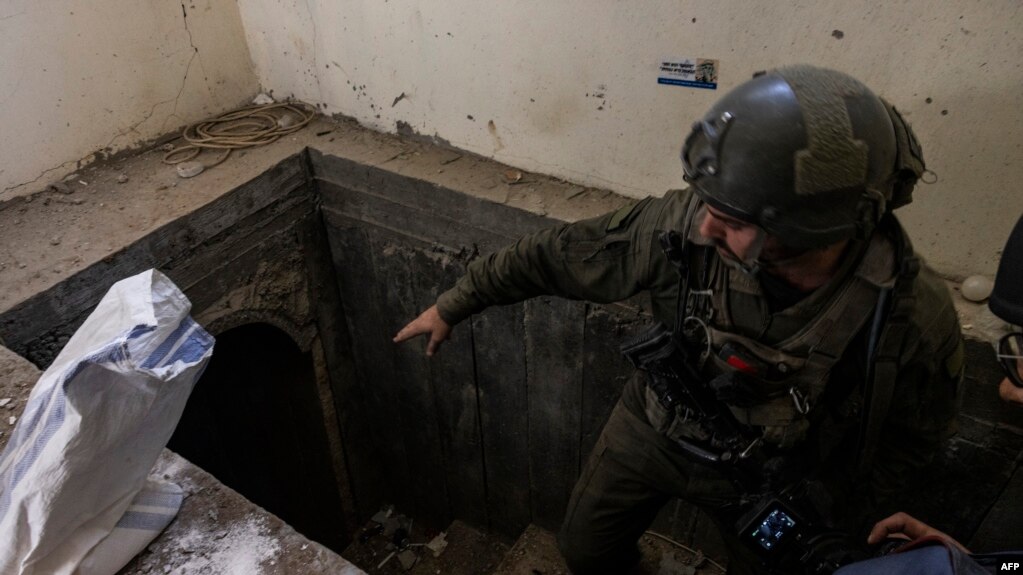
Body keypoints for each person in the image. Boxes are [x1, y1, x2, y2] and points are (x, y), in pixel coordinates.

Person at [395, 65, 963, 574]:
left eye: (733, 220)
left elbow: (913, 440)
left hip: (774, 476)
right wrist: (454, 303)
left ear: (817, 228)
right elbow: (557, 255)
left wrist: (848, 519)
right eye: (707, 205)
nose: (707, 229)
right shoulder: (680, 226)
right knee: (586, 549)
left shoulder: (910, 317)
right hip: (658, 424)